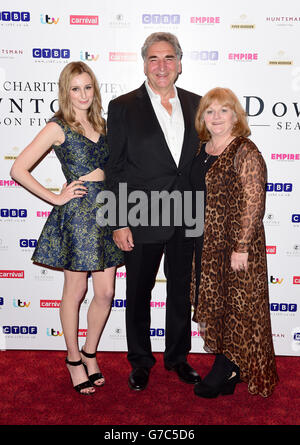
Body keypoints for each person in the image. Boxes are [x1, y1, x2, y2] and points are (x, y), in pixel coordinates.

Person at [10, 61, 123, 395]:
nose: (83, 94)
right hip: (78, 215)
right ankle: (73, 358)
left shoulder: (104, 123)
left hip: (107, 210)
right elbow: (18, 168)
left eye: (88, 87)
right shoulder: (58, 126)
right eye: (76, 88)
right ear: (66, 91)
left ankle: (90, 352)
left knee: (105, 293)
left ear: (95, 89)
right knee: (75, 291)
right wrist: (55, 198)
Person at [105, 32, 201, 391]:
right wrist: (118, 220)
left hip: (187, 213)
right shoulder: (123, 106)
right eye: (154, 59)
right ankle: (140, 361)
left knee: (180, 290)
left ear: (179, 62)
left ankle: (177, 358)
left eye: (169, 58)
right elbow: (114, 168)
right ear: (144, 63)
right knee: (139, 292)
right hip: (140, 214)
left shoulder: (197, 103)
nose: (162, 66)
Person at [190, 87, 278, 398]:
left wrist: (241, 246)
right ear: (202, 117)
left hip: (236, 245)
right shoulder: (203, 149)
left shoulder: (245, 150)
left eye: (223, 110)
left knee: (239, 306)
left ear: (235, 116)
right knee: (219, 304)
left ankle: (227, 366)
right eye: (209, 111)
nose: (216, 117)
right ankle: (228, 366)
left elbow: (255, 201)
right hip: (206, 243)